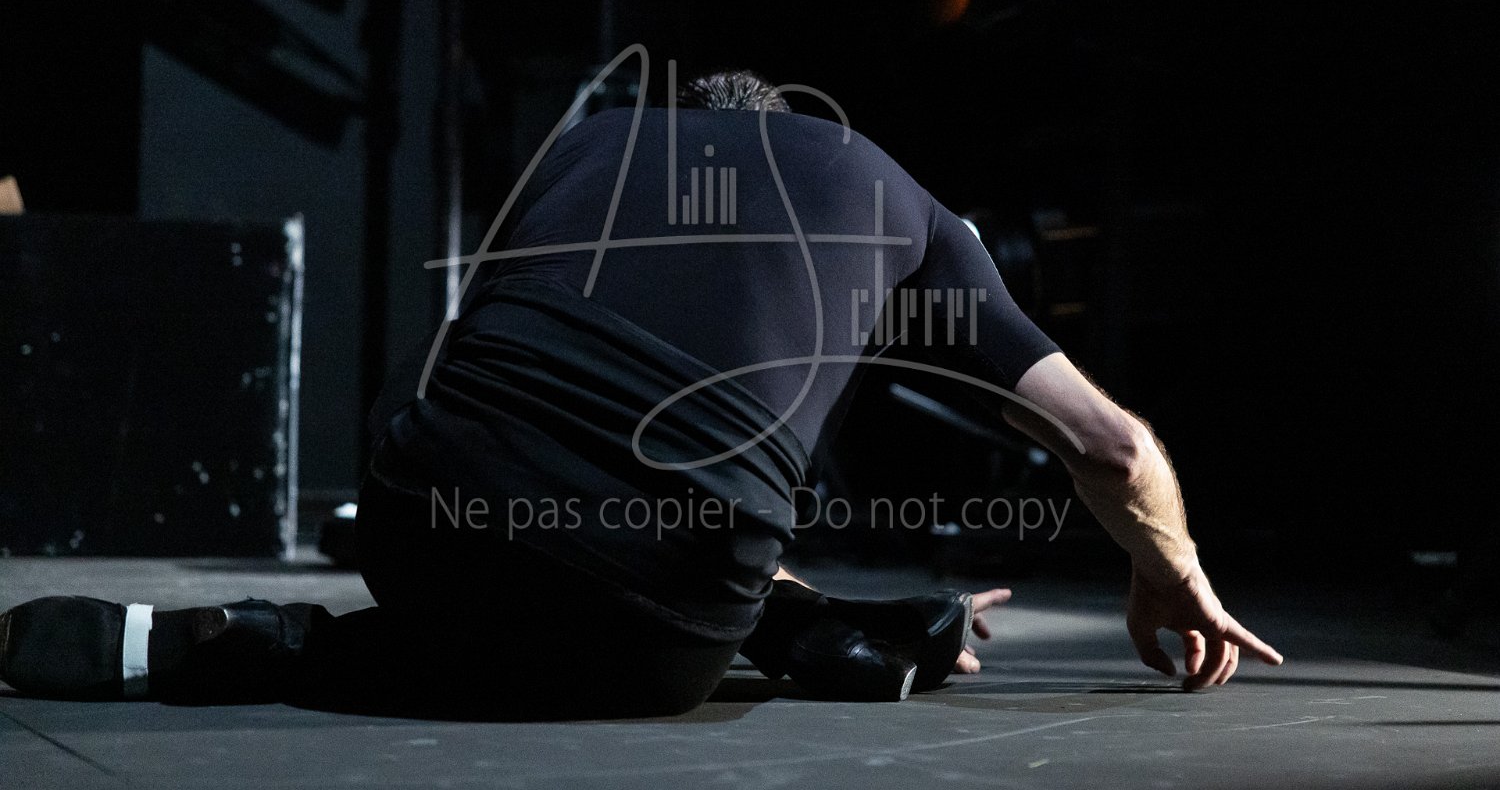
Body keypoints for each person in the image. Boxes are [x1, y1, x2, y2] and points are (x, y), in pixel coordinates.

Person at [0, 69, 1280, 718]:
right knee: (688, 494)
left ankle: (252, 641)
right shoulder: (898, 197)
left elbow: (530, 390)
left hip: (434, 532)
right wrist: (1170, 566)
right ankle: (800, 627)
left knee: (472, 401)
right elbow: (1112, 449)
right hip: (664, 638)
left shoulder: (589, 146)